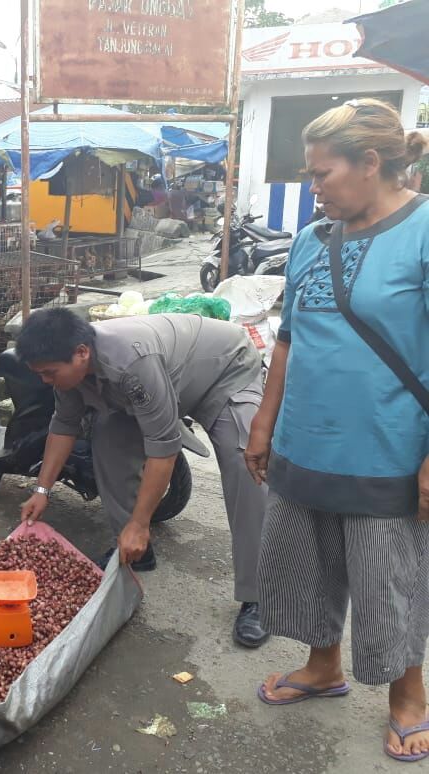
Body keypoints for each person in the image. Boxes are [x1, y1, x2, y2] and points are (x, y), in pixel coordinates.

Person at [245, 99, 429, 762]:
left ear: (371, 163)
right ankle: (323, 667)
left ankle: (409, 697)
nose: (313, 186)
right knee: (307, 567)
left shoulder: (424, 229)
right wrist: (264, 422)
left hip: (388, 447)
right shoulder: (307, 239)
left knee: (390, 582)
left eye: (323, 173)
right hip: (304, 440)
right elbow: (289, 339)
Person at [17, 308, 270, 648]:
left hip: (223, 371)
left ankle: (261, 596)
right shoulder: (68, 371)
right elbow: (63, 425)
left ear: (82, 353)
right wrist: (42, 490)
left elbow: (163, 447)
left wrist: (141, 522)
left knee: (244, 462)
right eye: (41, 374)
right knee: (107, 438)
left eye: (50, 373)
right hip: (165, 381)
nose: (46, 380)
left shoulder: (132, 362)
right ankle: (139, 552)